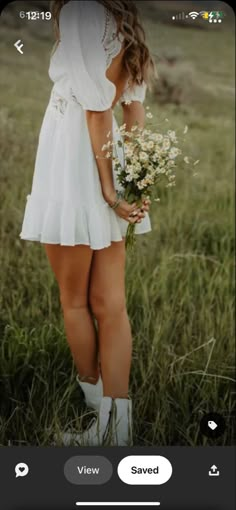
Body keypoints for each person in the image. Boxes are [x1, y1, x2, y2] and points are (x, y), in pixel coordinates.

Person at [20, 0, 156, 446]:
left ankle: (101, 422)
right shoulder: (124, 25)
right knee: (111, 304)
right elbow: (131, 113)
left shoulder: (79, 10)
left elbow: (97, 109)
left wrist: (111, 193)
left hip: (73, 164)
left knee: (75, 301)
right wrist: (133, 179)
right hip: (108, 160)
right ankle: (118, 431)